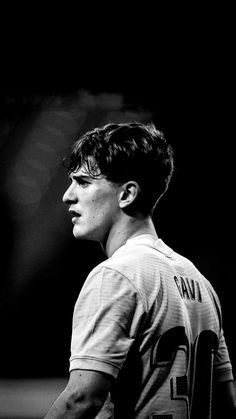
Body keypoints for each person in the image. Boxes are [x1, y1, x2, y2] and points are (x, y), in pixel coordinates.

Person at [45, 122, 235, 419]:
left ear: (127, 194)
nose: (67, 196)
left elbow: (81, 399)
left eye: (82, 182)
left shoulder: (117, 275)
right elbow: (225, 403)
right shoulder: (201, 282)